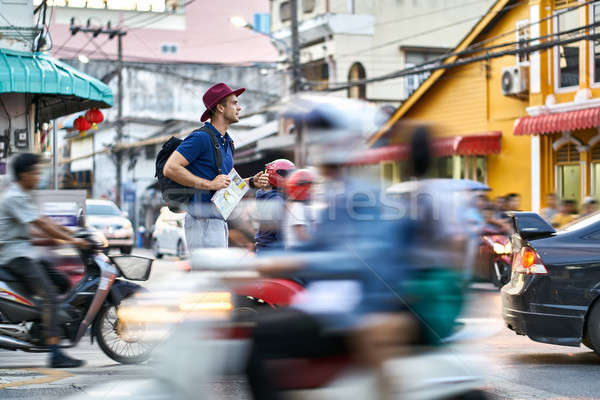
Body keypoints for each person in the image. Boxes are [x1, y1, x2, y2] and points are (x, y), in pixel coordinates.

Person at [0, 153, 87, 368]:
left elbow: (46, 222)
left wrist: (73, 233)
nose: (39, 176)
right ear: (24, 174)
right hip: (14, 257)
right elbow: (42, 225)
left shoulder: (23, 195)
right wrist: (73, 241)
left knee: (62, 281)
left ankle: (42, 324)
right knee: (49, 294)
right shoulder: (15, 197)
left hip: (25, 253)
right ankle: (55, 352)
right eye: (36, 172)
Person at [163, 83, 268, 249]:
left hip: (218, 219)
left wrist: (251, 182)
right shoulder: (201, 138)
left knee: (216, 273)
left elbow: (224, 185)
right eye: (234, 103)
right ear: (220, 107)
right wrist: (210, 184)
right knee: (208, 273)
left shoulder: (227, 142)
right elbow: (170, 168)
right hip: (201, 220)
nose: (239, 107)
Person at [254, 159, 295, 252]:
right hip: (273, 251)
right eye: (289, 175)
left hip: (264, 249)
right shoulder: (277, 200)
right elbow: (281, 235)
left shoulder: (265, 195)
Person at [283, 168, 316, 249]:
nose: (312, 190)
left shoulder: (299, 205)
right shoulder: (298, 208)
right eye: (310, 186)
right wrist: (318, 242)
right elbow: (301, 235)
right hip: (297, 251)